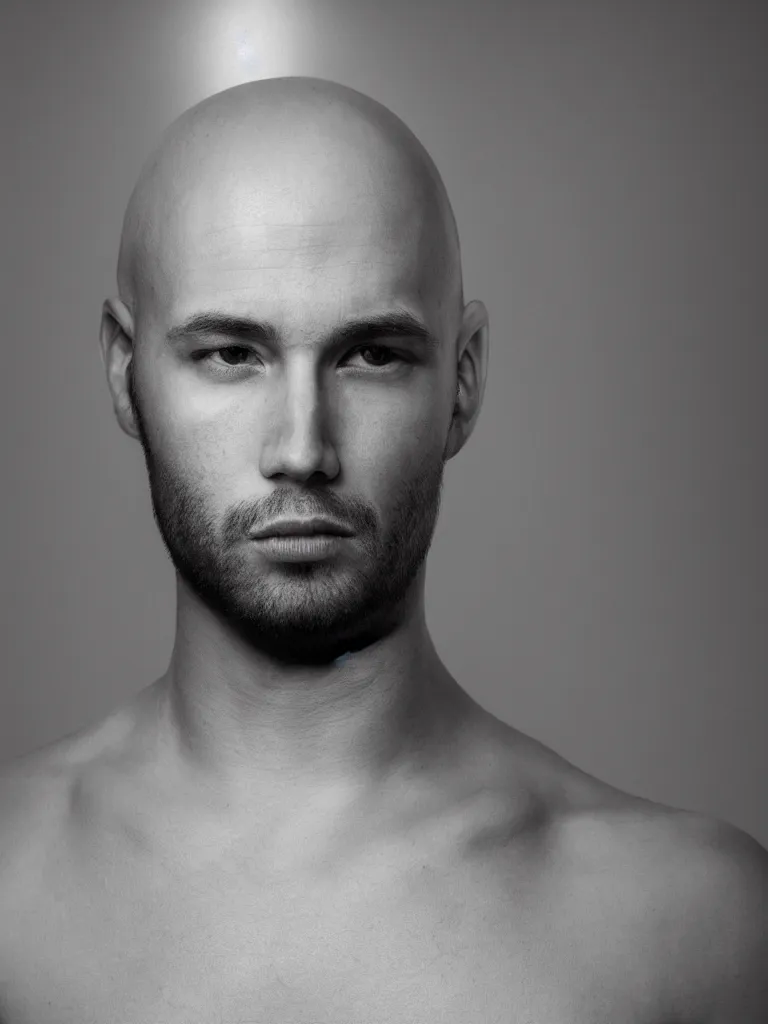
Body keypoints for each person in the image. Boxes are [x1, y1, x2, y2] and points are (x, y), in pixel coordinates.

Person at [0, 76, 765, 1024]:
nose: (301, 449)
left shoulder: (694, 926)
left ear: (465, 379)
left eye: (371, 356)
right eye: (232, 354)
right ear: (126, 374)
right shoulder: (9, 890)